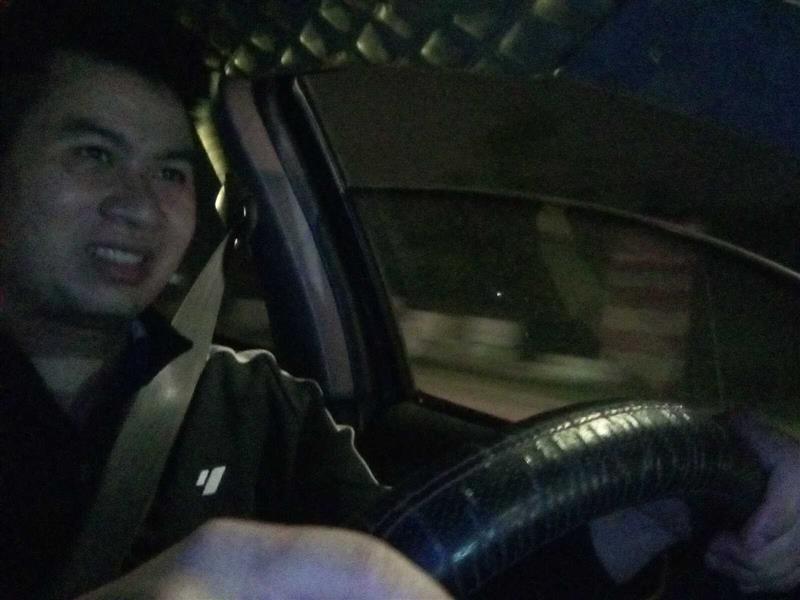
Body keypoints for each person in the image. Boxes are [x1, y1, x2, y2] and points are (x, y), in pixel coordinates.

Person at [0, 1, 798, 599]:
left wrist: (664, 501)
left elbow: (427, 566)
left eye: (172, 172)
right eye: (93, 154)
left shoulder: (258, 409)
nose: (140, 206)